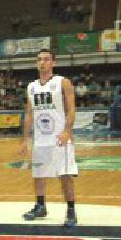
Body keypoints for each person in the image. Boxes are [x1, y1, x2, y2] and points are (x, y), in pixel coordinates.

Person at [17, 49, 79, 227]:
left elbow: (72, 108)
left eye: (46, 59)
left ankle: (71, 210)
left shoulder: (62, 82)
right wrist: (25, 139)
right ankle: (40, 206)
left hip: (60, 138)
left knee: (65, 175)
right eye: (39, 60)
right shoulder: (31, 87)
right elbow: (29, 113)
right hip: (41, 139)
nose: (42, 62)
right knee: (38, 174)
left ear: (53, 63)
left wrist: (67, 130)